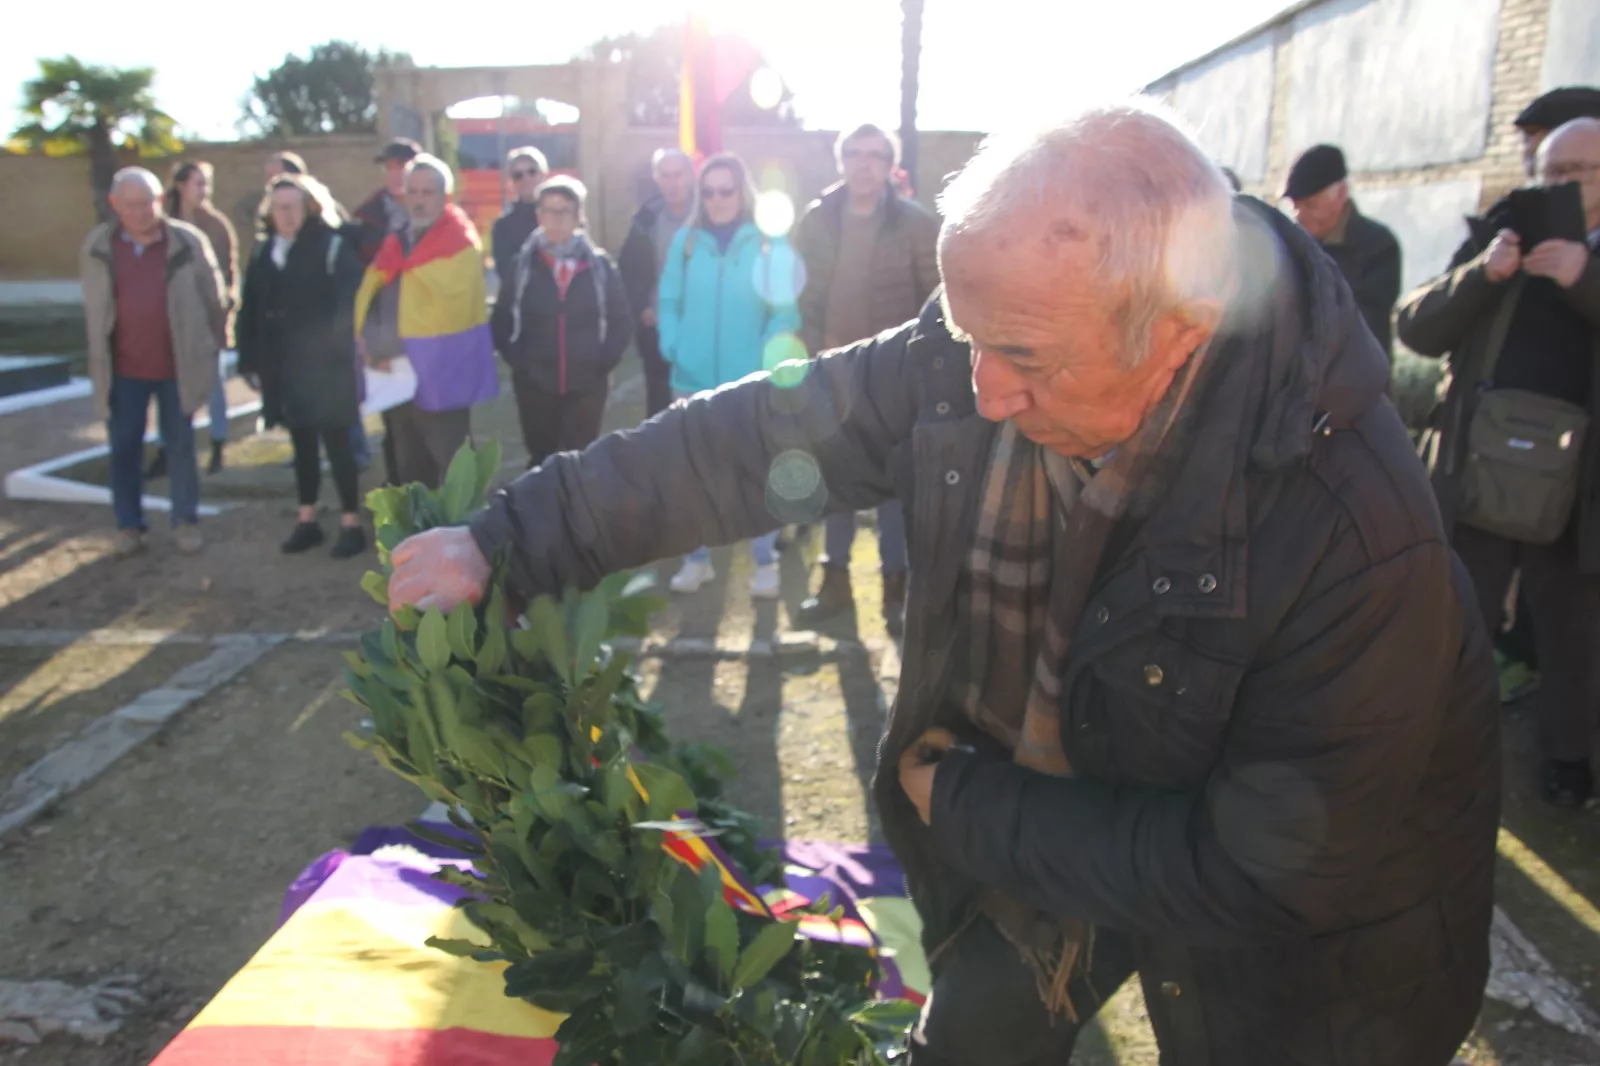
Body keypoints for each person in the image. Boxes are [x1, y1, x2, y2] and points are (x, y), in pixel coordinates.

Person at [387, 103, 1500, 1065]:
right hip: (1046, 816)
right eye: (965, 336)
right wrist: (511, 538)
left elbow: (1256, 874)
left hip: (1313, 963)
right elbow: (751, 438)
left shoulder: (1358, 540)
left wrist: (960, 799)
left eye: (1023, 359)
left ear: (1176, 339)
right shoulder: (993, 334)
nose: (981, 390)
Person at [1397, 117, 1600, 809]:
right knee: (1454, 616)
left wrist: (1583, 276)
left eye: (1576, 172)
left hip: (1579, 489)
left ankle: (1568, 763)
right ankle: (1428, 746)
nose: (1557, 184)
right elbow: (1416, 327)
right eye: (1548, 169)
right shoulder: (1502, 230)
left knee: (1573, 632)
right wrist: (1485, 274)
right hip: (1474, 473)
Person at [793, 123, 939, 634]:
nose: (864, 164)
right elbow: (802, 295)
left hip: (893, 377)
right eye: (854, 153)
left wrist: (919, 370)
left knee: (894, 486)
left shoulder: (916, 225)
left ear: (888, 164)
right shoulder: (817, 220)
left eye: (875, 155)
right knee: (837, 479)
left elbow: (934, 305)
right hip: (831, 373)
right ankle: (834, 584)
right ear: (842, 160)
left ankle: (895, 589)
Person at [656, 151, 802, 600]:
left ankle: (764, 562)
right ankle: (697, 560)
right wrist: (674, 345)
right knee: (695, 472)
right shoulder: (686, 242)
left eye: (727, 190)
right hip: (692, 378)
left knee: (753, 472)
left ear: (743, 193)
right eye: (710, 191)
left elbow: (785, 312)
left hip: (749, 381)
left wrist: (765, 357)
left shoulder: (768, 245)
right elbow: (669, 302)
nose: (718, 199)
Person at [81, 167, 226, 557]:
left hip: (177, 366)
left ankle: (185, 522)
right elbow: (95, 309)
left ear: (160, 201)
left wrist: (213, 344)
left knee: (180, 446)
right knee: (124, 447)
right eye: (130, 205)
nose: (140, 212)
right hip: (123, 369)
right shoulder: (98, 246)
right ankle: (129, 526)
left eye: (147, 203)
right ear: (116, 205)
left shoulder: (187, 242)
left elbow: (216, 298)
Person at [236, 175, 368, 559]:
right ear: (270, 211)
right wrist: (249, 361)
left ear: (311, 207)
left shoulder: (332, 247)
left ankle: (350, 522)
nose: (288, 214)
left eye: (294, 206)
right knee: (301, 445)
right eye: (280, 207)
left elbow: (349, 303)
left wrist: (334, 349)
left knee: (339, 446)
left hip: (327, 369)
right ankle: (307, 519)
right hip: (284, 370)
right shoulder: (264, 253)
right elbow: (251, 310)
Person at [353, 153, 499, 490]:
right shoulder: (398, 240)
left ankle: (465, 534)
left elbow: (449, 309)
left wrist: (393, 341)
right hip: (394, 373)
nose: (418, 201)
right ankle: (418, 536)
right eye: (413, 192)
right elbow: (374, 292)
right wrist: (373, 344)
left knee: (453, 465)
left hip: (441, 372)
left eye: (427, 192)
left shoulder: (459, 243)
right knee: (409, 464)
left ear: (445, 198)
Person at [492, 176, 632, 470]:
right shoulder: (524, 264)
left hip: (587, 385)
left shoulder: (600, 266)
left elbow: (620, 320)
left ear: (578, 216)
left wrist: (602, 362)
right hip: (535, 385)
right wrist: (522, 363)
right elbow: (502, 319)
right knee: (541, 462)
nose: (554, 219)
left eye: (563, 211)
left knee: (581, 462)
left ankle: (578, 515)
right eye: (547, 210)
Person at [1285, 143, 1402, 356]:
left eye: (1310, 205)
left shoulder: (1378, 246)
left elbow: (1363, 324)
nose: (1299, 215)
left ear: (1341, 194)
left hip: (1355, 381)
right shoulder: (1290, 244)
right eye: (1294, 205)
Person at [159, 161, 238, 477]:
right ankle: (169, 448)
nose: (204, 190)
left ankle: (218, 444)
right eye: (198, 183)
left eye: (207, 183)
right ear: (181, 185)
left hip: (208, 317)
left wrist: (226, 303)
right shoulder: (163, 223)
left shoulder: (217, 225)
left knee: (214, 383)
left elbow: (231, 272)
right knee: (170, 386)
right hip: (169, 318)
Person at [619, 148, 696, 418]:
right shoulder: (645, 220)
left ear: (690, 175)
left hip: (704, 329)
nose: (673, 183)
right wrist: (641, 307)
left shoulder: (709, 214)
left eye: (679, 174)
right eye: (666, 175)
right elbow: (628, 270)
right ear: (657, 179)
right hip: (660, 331)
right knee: (661, 410)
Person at [490, 146, 549, 276]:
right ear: (511, 182)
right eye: (518, 175)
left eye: (532, 172)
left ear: (544, 175)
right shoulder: (502, 226)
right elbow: (506, 273)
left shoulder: (562, 214)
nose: (526, 179)